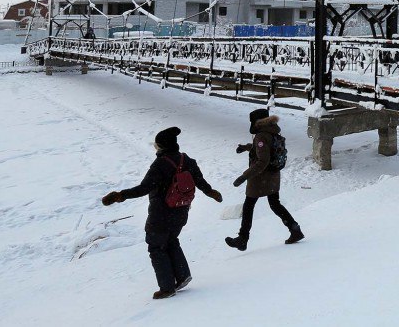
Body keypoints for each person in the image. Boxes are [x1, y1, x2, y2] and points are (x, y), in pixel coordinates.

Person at [102, 126, 223, 299]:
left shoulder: (160, 164)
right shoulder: (186, 160)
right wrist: (211, 192)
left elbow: (144, 188)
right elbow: (200, 182)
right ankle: (182, 276)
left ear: (162, 146)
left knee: (156, 246)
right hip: (181, 211)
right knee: (171, 240)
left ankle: (167, 288)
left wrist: (120, 196)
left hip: (161, 213)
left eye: (156, 145)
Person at [225, 108, 303, 250]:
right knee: (275, 204)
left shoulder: (261, 136)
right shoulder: (272, 130)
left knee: (248, 206)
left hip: (261, 178)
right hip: (273, 175)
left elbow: (262, 160)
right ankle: (295, 229)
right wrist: (246, 147)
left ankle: (243, 239)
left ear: (256, 122)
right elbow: (266, 149)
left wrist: (244, 176)